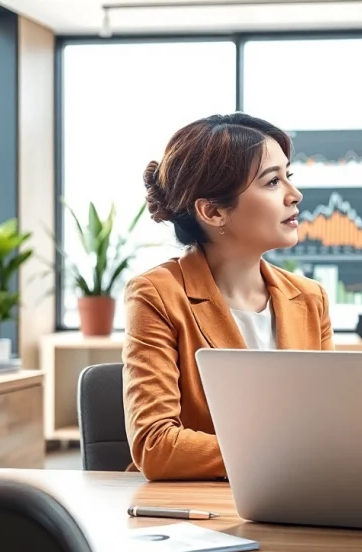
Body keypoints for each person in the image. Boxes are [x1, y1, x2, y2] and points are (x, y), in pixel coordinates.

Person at [122, 113, 334, 481]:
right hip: (201, 504)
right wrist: (286, 453)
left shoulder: (309, 298)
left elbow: (333, 424)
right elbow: (155, 445)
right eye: (272, 181)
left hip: (301, 495)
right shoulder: (157, 295)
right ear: (214, 211)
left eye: (289, 176)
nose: (294, 195)